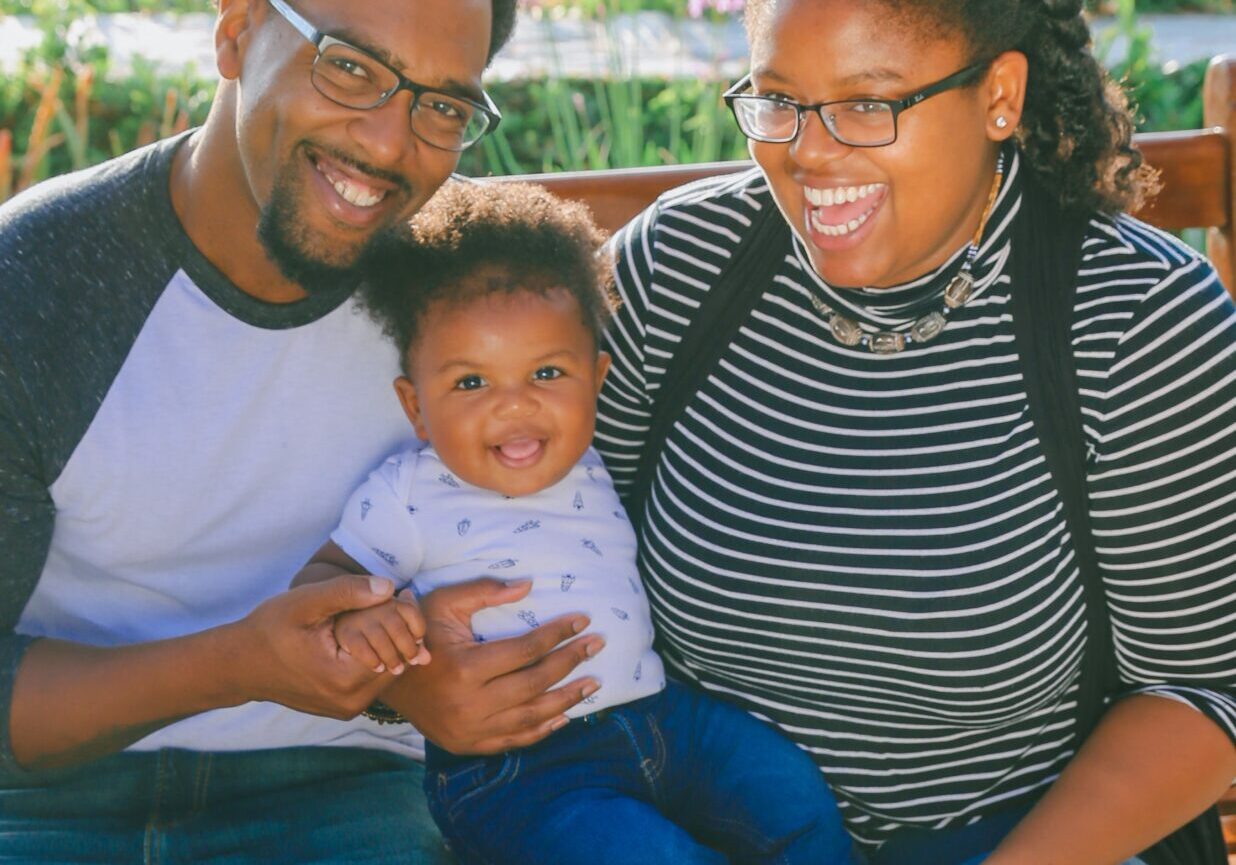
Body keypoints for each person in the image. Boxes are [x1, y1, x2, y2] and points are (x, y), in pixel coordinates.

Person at [582, 0, 1236, 862]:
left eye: (867, 104)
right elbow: (550, 530)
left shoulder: (1135, 322)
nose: (808, 151)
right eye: (779, 99)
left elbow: (1199, 690)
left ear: (1000, 95)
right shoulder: (679, 267)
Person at [0, 1, 601, 861]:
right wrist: (238, 663)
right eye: (349, 66)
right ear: (237, 29)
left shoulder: (474, 295)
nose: (389, 145)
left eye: (442, 106)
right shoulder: (36, 280)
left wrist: (417, 686)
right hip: (47, 799)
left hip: (350, 789)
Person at [292, 179, 863, 865]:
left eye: (547, 372)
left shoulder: (594, 457)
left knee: (790, 796)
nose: (514, 406)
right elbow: (320, 585)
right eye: (471, 383)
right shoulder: (409, 493)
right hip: (523, 769)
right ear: (416, 407)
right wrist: (366, 623)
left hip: (661, 719)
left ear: (596, 378)